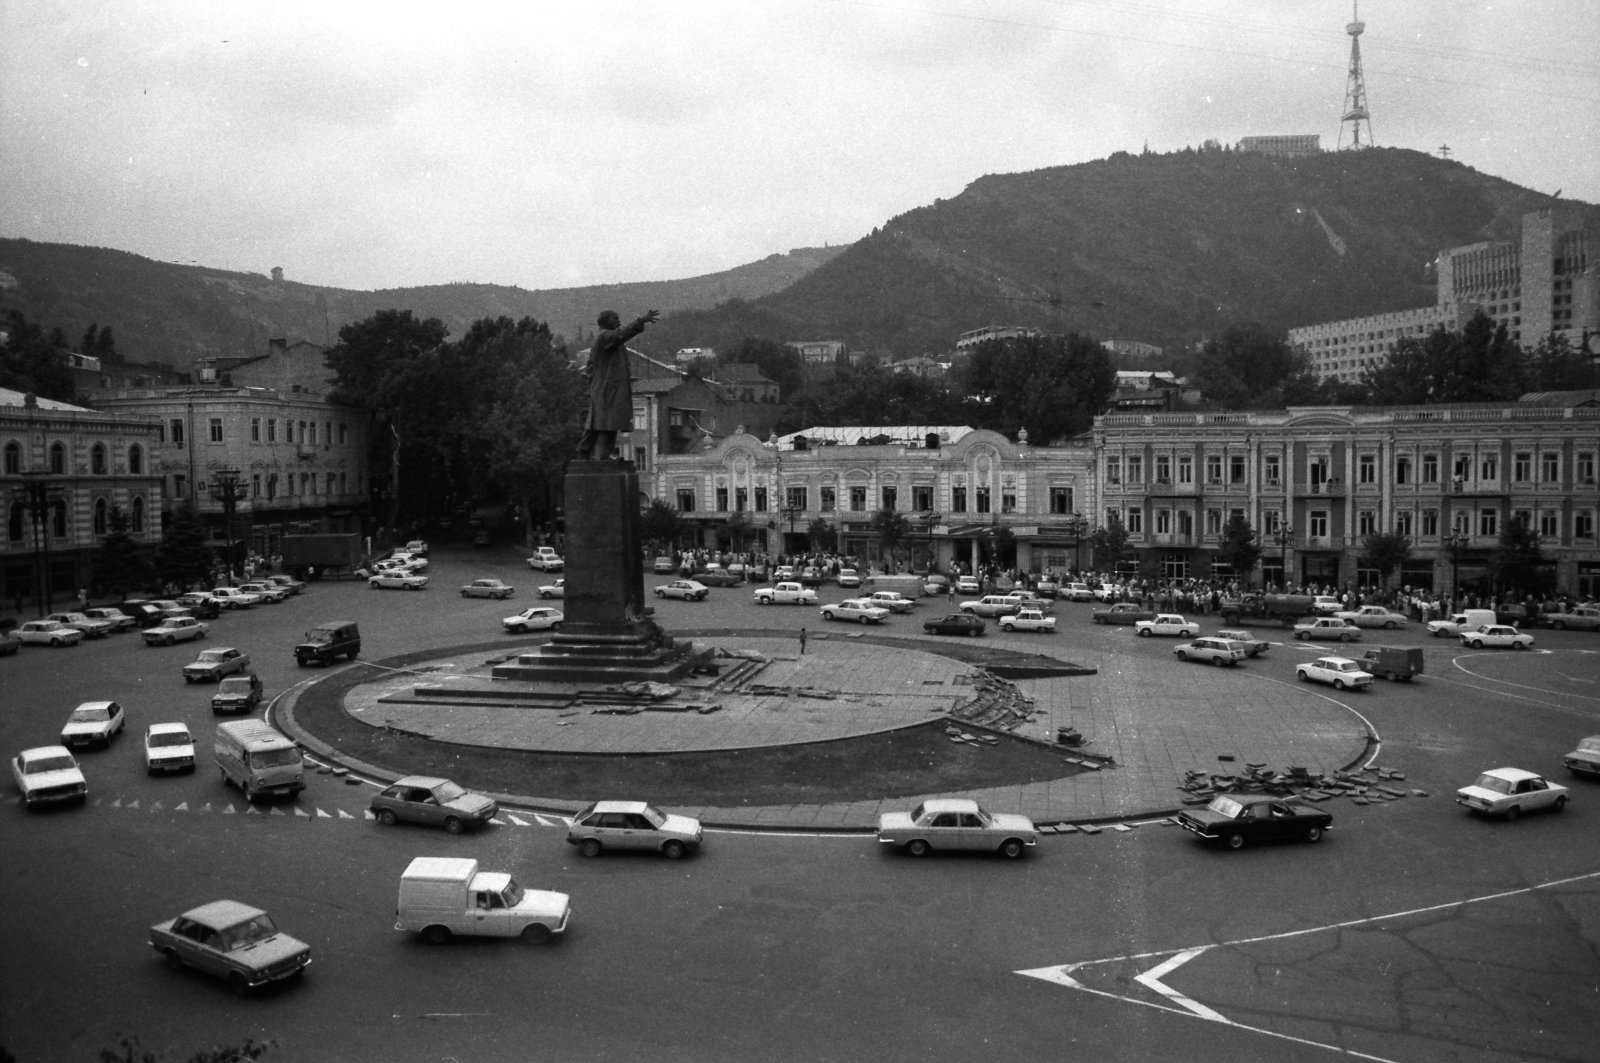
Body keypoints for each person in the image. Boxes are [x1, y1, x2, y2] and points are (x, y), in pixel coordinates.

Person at [576, 308, 660, 460]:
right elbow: (621, 334)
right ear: (606, 321)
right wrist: (640, 321)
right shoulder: (604, 337)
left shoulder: (609, 340)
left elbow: (590, 367)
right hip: (606, 390)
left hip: (607, 389)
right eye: (615, 318)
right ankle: (599, 456)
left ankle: (592, 453)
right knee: (604, 424)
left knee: (606, 423)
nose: (619, 321)